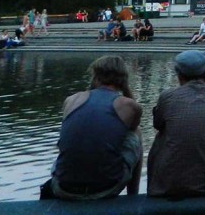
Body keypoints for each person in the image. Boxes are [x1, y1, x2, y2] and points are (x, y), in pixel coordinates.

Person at [43, 55, 143, 200]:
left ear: (95, 76)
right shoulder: (130, 106)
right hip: (105, 190)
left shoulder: (71, 100)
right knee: (137, 133)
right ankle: (133, 197)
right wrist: (126, 88)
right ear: (123, 80)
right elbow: (132, 126)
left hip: (62, 187)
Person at [146, 51, 205, 198]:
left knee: (162, 136)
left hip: (171, 184)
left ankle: (152, 189)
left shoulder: (167, 96)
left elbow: (157, 125)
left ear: (179, 75)